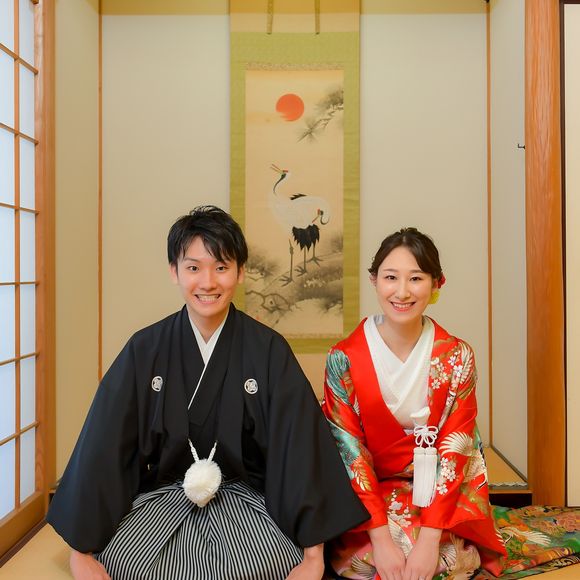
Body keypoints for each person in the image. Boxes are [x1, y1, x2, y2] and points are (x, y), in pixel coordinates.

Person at [47, 205, 369, 580]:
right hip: (164, 499)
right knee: (128, 563)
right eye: (193, 268)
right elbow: (105, 443)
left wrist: (313, 556)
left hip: (246, 502)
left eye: (221, 267)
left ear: (240, 271)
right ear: (174, 271)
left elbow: (299, 447)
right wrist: (81, 551)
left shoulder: (268, 350)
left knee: (265, 566)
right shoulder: (145, 349)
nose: (208, 282)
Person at [322, 228, 507, 580]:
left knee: (444, 562)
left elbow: (456, 449)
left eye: (416, 278)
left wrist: (429, 540)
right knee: (369, 564)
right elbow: (349, 451)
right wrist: (381, 539)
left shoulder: (457, 356)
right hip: (369, 497)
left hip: (438, 493)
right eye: (391, 277)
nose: (402, 292)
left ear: (437, 283)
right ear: (374, 280)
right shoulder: (344, 358)